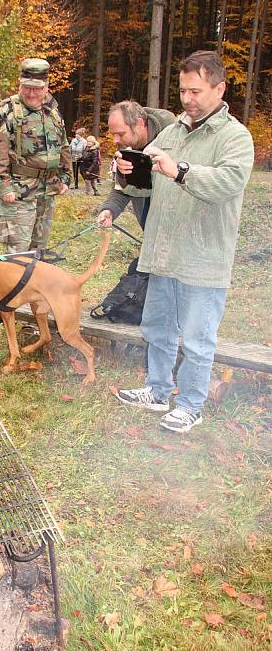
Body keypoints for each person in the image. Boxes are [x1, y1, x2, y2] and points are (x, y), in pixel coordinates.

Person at [113, 51, 254, 433]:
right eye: (182, 90)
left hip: (202, 259)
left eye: (196, 90)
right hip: (163, 253)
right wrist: (129, 172)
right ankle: (158, 390)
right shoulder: (172, 132)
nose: (187, 99)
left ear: (219, 88)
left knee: (196, 338)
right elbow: (147, 187)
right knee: (157, 329)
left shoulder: (234, 137)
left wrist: (181, 170)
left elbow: (229, 183)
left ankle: (191, 404)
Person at [0, 58, 71, 254]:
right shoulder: (6, 111)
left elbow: (63, 146)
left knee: (39, 253)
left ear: (46, 86)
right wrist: (3, 187)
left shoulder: (52, 111)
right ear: (20, 84)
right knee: (18, 254)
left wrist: (65, 177)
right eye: (27, 87)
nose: (31, 93)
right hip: (18, 193)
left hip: (47, 193)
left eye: (37, 88)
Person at [97, 101, 175, 230]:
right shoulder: (127, 147)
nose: (116, 140)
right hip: (148, 228)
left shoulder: (174, 141)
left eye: (120, 134)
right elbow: (123, 187)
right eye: (113, 134)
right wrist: (109, 210)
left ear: (139, 124)